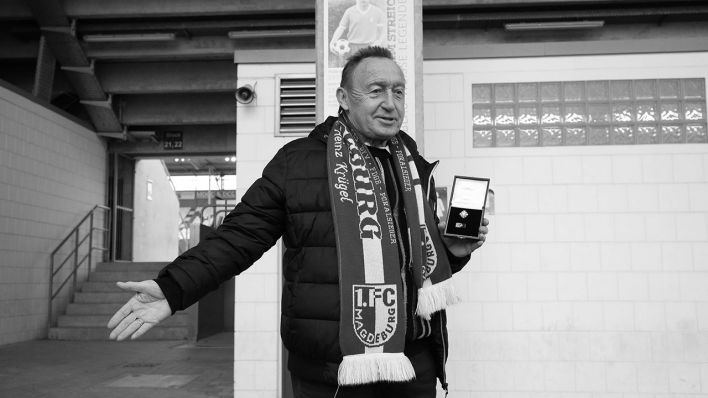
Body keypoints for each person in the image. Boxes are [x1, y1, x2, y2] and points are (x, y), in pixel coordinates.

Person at [107, 46, 489, 398]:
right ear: (343, 98)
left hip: (413, 363)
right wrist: (174, 288)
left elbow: (415, 261)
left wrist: (453, 252)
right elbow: (239, 237)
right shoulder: (299, 162)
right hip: (334, 370)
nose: (390, 103)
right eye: (376, 91)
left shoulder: (412, 164)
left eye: (399, 91)